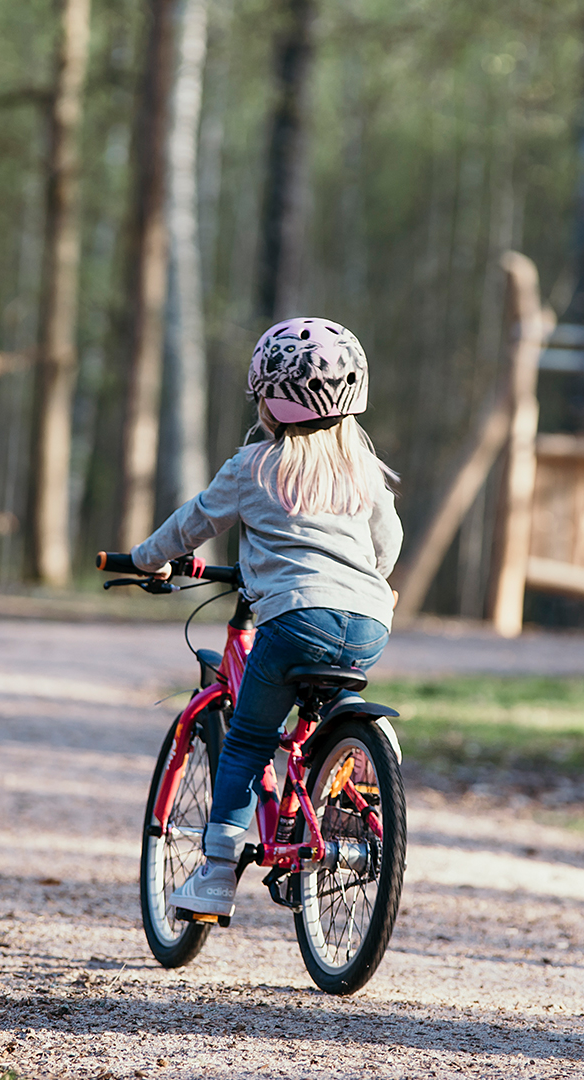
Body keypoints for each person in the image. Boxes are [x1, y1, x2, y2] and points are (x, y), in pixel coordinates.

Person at [129, 318, 402, 919]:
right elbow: (386, 549)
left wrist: (148, 560)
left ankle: (215, 876)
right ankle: (352, 774)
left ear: (270, 402)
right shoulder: (364, 473)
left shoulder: (254, 465)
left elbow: (192, 523)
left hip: (293, 618)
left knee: (249, 740)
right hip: (368, 623)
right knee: (319, 710)